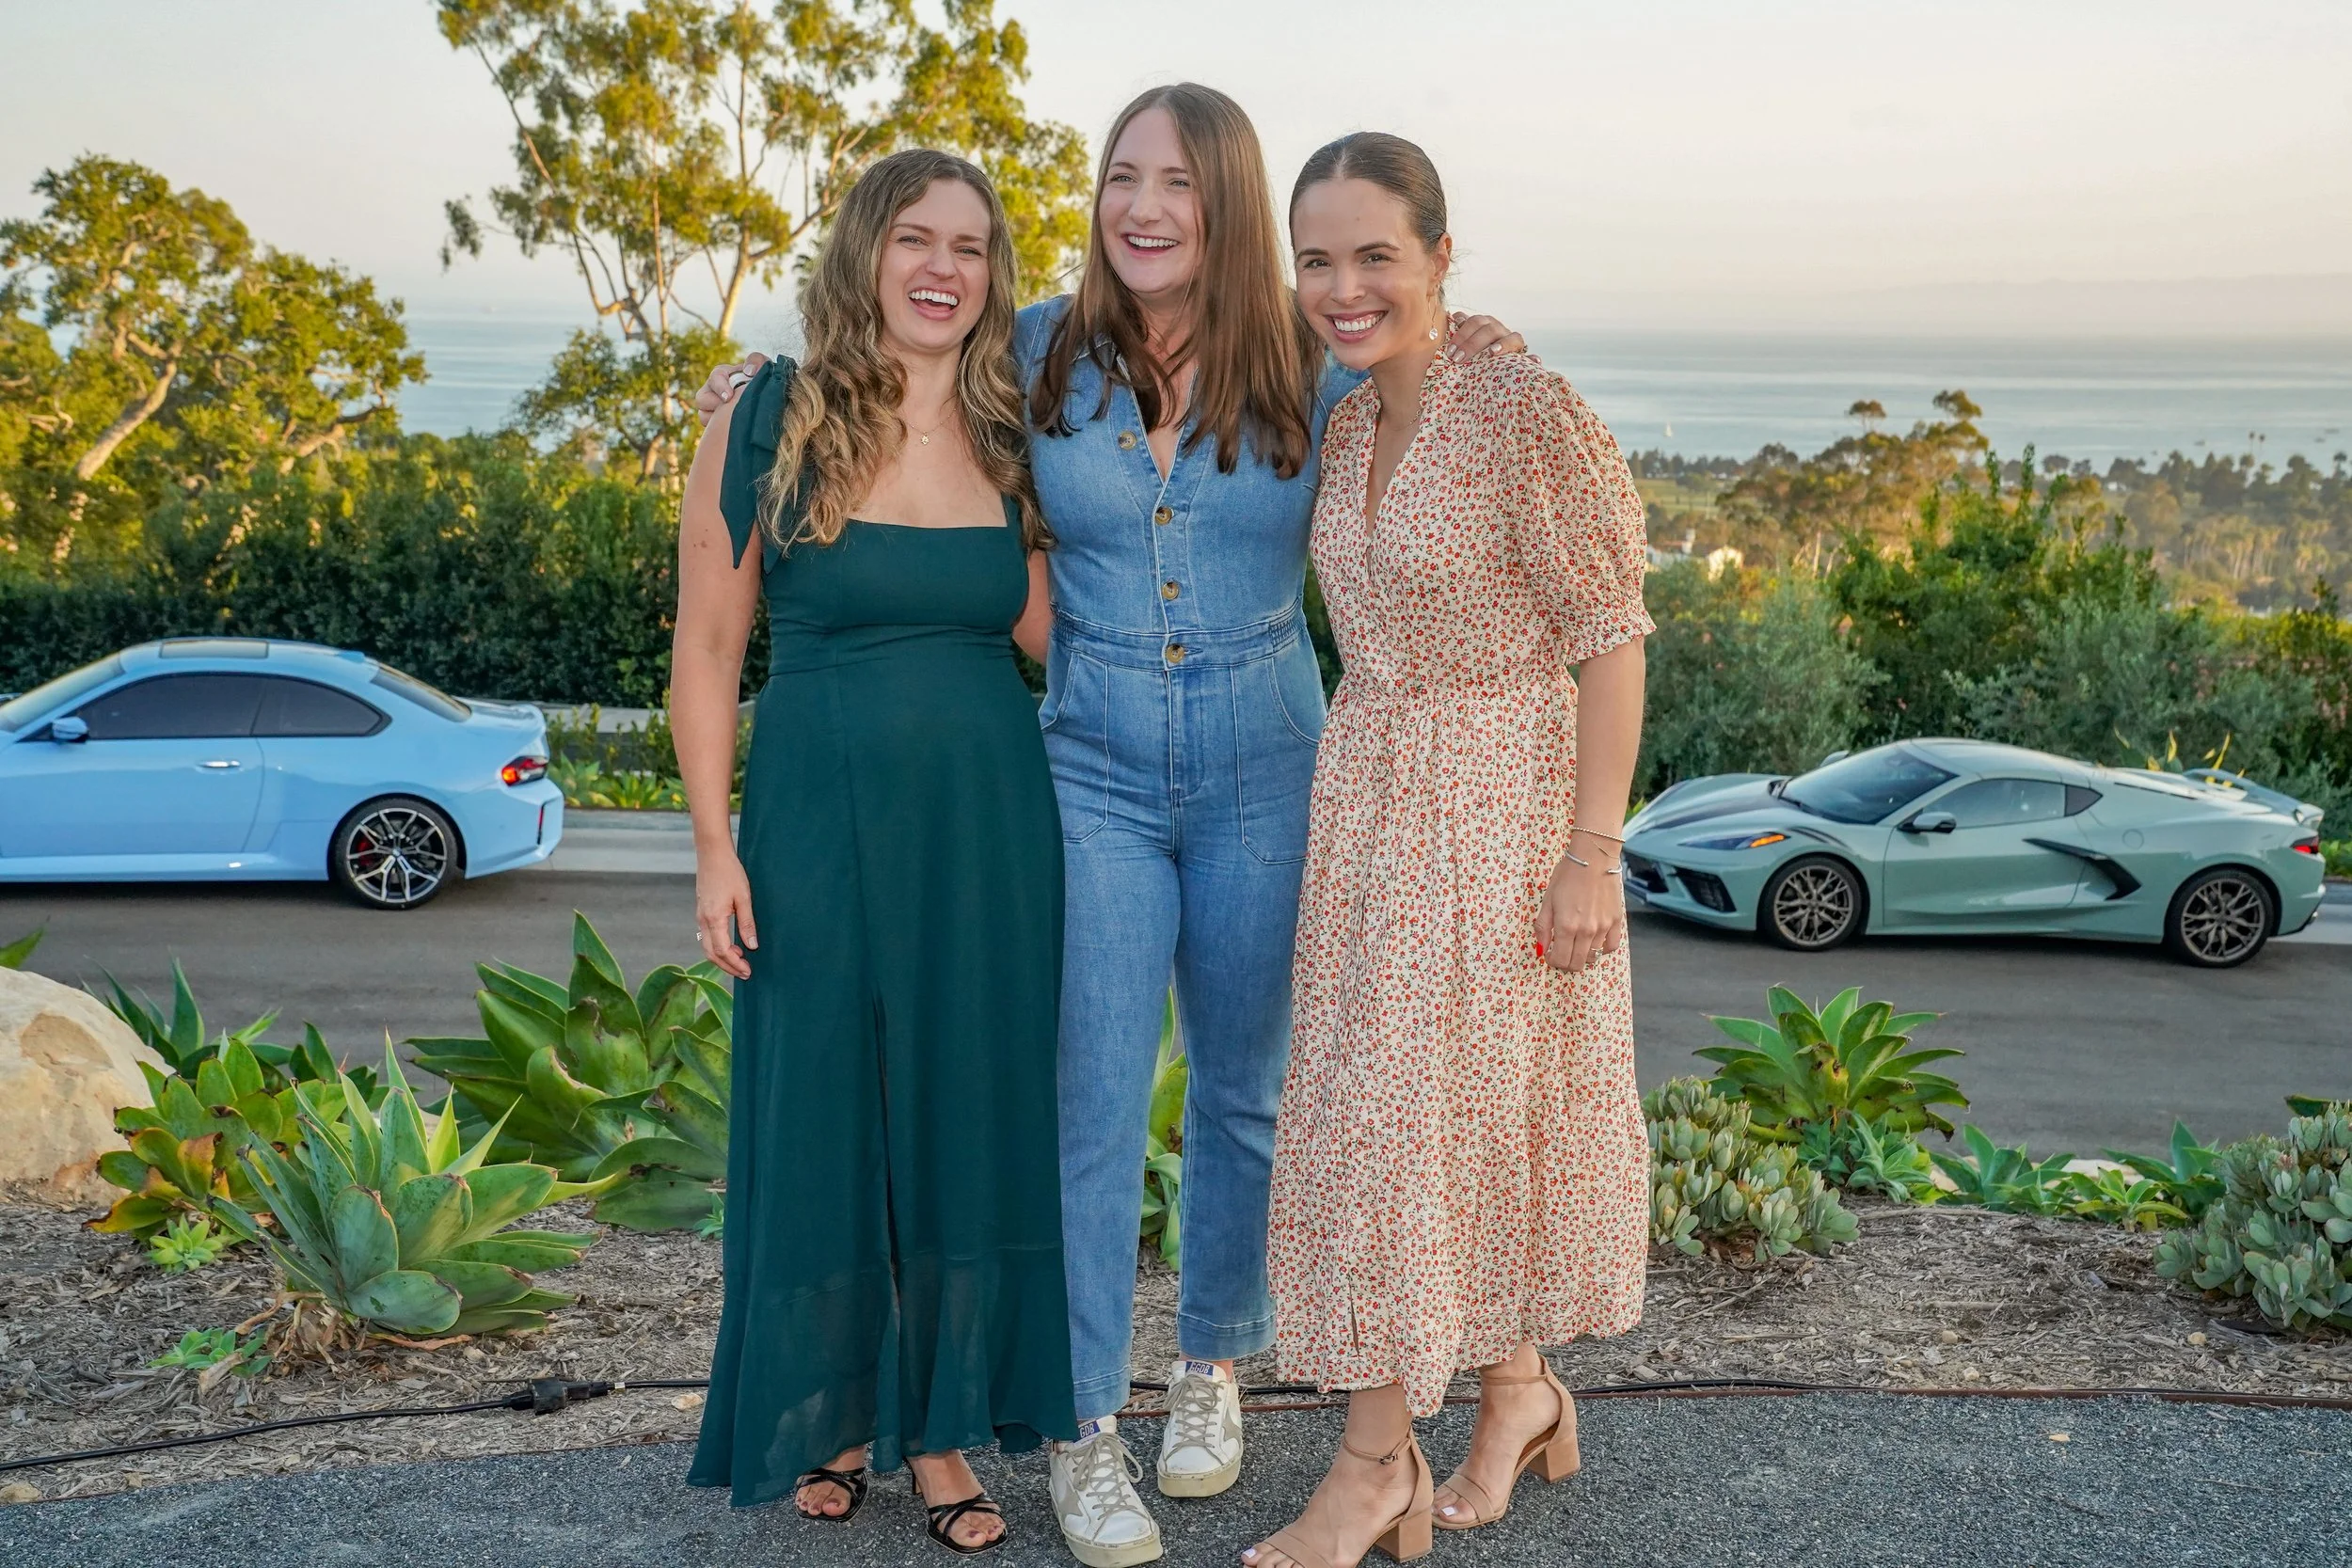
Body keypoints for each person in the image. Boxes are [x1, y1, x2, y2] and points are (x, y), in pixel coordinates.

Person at [696, 86, 1522, 1568]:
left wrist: (1476, 345)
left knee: (1247, 1091)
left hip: (1273, 760)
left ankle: (1211, 1367)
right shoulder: (1035, 353)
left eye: (1180, 185)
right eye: (1122, 177)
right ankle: (1082, 1425)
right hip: (1088, 767)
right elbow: (895, 380)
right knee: (1082, 1101)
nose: (1145, 208)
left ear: (1227, 205)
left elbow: (1424, 402)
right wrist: (752, 386)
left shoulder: (1306, 368)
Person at [1244, 133, 1652, 1568]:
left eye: (1376, 255)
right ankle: (1521, 1388)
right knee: (1451, 1121)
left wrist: (1591, 848)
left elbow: (1612, 640)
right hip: (1370, 809)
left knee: (1407, 1130)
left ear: (1438, 255)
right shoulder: (1350, 423)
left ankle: (1369, 1467)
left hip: (1502, 812)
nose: (1343, 287)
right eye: (1317, 259)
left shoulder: (1526, 412)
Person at [672, 148, 1074, 1558]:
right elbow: (710, 651)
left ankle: (948, 1432)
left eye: (971, 247)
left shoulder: (1020, 431)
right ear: (865, 253)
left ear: (993, 277)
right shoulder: (763, 415)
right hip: (814, 824)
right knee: (826, 1112)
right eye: (918, 238)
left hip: (987, 834)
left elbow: (1051, 638)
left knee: (968, 1112)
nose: (944, 268)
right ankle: (835, 1415)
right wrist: (714, 847)